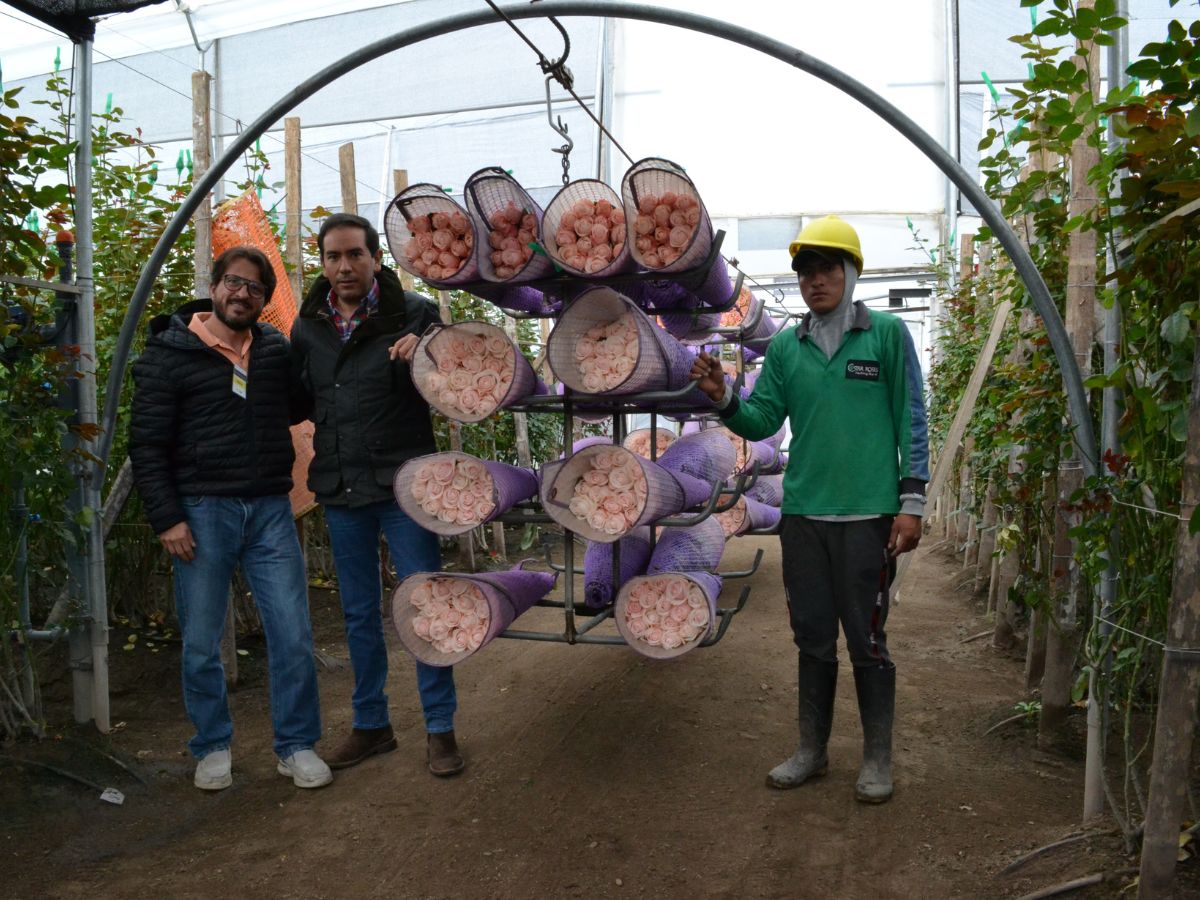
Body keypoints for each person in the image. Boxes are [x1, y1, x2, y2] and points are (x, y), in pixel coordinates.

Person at [691, 216, 929, 803]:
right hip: (804, 518)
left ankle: (877, 758)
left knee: (866, 637)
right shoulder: (786, 350)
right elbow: (762, 420)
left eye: (827, 268)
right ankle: (811, 751)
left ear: (850, 273)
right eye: (805, 271)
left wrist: (912, 501)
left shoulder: (886, 336)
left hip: (869, 517)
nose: (815, 280)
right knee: (812, 636)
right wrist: (723, 398)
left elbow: (913, 419)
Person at [130, 246, 331, 791]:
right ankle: (213, 745)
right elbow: (146, 443)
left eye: (255, 289)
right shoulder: (170, 353)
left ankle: (296, 746)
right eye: (234, 284)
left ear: (264, 301)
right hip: (202, 509)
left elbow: (295, 405)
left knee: (292, 633)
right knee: (201, 638)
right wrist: (167, 518)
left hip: (269, 507)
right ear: (215, 286)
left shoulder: (271, 349)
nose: (242, 295)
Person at [290, 213, 463, 777]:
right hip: (341, 487)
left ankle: (440, 730)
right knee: (359, 613)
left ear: (375, 260)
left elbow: (450, 382)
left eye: (355, 255)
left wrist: (430, 351)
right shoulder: (308, 326)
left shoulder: (414, 314)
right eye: (333, 257)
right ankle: (372, 726)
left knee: (425, 602)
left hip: (404, 486)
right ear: (322, 263)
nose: (344, 267)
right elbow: (298, 399)